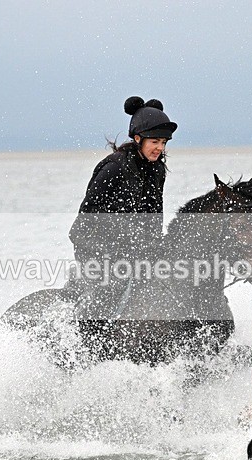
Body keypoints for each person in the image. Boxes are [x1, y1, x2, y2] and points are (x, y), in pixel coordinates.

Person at [68, 96, 177, 321]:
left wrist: (158, 246)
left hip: (133, 248)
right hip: (92, 243)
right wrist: (129, 239)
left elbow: (154, 214)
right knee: (113, 285)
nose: (160, 148)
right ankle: (86, 341)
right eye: (155, 141)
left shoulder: (157, 170)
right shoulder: (114, 167)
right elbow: (89, 215)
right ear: (138, 138)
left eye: (164, 143)